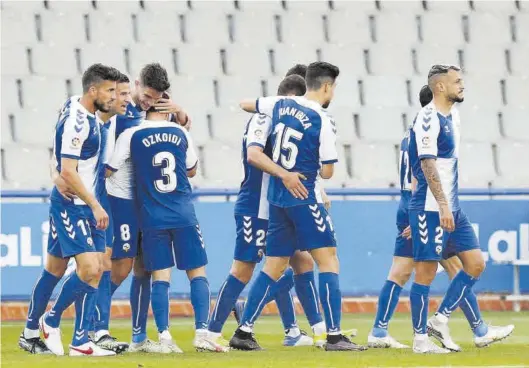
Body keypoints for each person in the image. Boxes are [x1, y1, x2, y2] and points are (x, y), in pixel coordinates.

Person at [229, 61, 366, 352]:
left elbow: (244, 103)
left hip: (277, 197)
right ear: (326, 86)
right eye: (334, 88)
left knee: (274, 265)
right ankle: (333, 335)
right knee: (328, 260)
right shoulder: (322, 119)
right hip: (304, 196)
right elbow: (328, 172)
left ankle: (243, 331)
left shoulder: (280, 104)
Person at [368, 85, 514, 350]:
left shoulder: (411, 132)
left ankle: (381, 330)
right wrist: (418, 215)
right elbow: (419, 175)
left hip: (412, 203)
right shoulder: (429, 129)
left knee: (403, 271)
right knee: (440, 270)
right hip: (423, 204)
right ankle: (464, 330)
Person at [407, 65, 514, 354]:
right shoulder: (427, 118)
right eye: (457, 81)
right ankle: (420, 340)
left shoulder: (452, 115)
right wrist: (437, 205)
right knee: (425, 274)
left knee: (475, 264)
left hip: (451, 206)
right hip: (432, 208)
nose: (461, 85)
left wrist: (449, 205)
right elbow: (427, 163)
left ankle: (440, 320)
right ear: (440, 87)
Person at [105, 105, 226, 353]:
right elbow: (192, 170)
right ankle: (202, 333)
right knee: (198, 273)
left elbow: (110, 168)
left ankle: (165, 338)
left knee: (160, 276)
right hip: (182, 212)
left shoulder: (133, 134)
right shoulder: (180, 132)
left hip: (151, 215)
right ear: (167, 107)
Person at [208, 75, 316, 349]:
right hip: (257, 206)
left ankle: (311, 331)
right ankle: (210, 333)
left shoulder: (281, 120)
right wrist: (286, 176)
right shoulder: (264, 117)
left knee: (299, 262)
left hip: (277, 207)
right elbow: (253, 155)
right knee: (243, 271)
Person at [24, 64, 120, 357]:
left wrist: (56, 173)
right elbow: (68, 167)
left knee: (58, 269)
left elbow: (58, 153)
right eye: (110, 91)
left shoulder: (75, 106)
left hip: (84, 202)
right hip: (73, 205)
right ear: (93, 91)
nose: (115, 97)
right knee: (90, 268)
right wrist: (94, 204)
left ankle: (71, 340)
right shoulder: (78, 122)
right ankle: (50, 321)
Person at [102, 63, 189, 353]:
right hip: (121, 199)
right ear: (137, 84)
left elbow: (182, 137)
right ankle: (94, 324)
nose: (148, 101)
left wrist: (181, 113)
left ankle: (138, 337)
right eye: (147, 95)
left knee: (143, 269)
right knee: (121, 268)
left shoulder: (153, 114)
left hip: (146, 202)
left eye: (155, 98)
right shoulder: (121, 110)